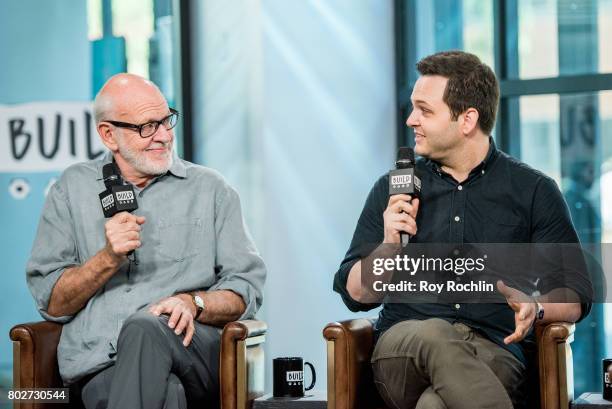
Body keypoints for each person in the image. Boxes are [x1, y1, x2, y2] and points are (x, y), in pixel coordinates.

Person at [333, 51, 591, 409]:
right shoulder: (393, 189)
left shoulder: (533, 190)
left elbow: (574, 292)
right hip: (403, 348)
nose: (411, 120)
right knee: (435, 332)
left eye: (425, 110)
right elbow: (355, 293)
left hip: (493, 349)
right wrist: (390, 245)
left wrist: (537, 306)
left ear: (467, 119)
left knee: (433, 406)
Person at [26, 73, 266, 409]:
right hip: (101, 365)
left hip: (191, 351)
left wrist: (193, 302)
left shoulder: (212, 189)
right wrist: (108, 258)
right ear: (109, 134)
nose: (165, 136)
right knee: (167, 395)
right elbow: (52, 302)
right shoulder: (72, 189)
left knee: (145, 326)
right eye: (146, 127)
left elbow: (246, 289)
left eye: (166, 120)